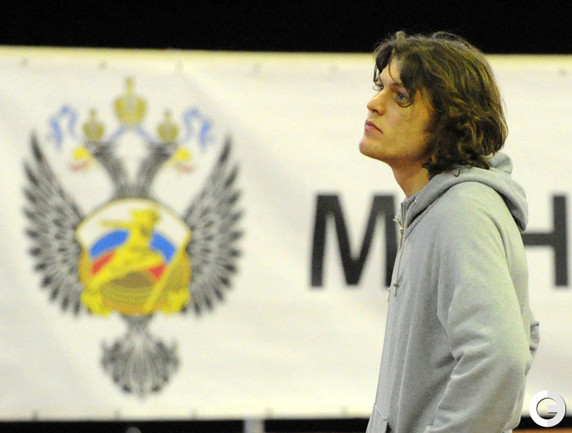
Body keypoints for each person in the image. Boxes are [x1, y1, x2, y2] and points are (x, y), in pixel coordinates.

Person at [359, 31, 540, 433]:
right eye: (380, 88)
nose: (375, 103)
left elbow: (501, 356)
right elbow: (522, 336)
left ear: (449, 121)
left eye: (400, 96)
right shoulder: (441, 207)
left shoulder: (462, 211)